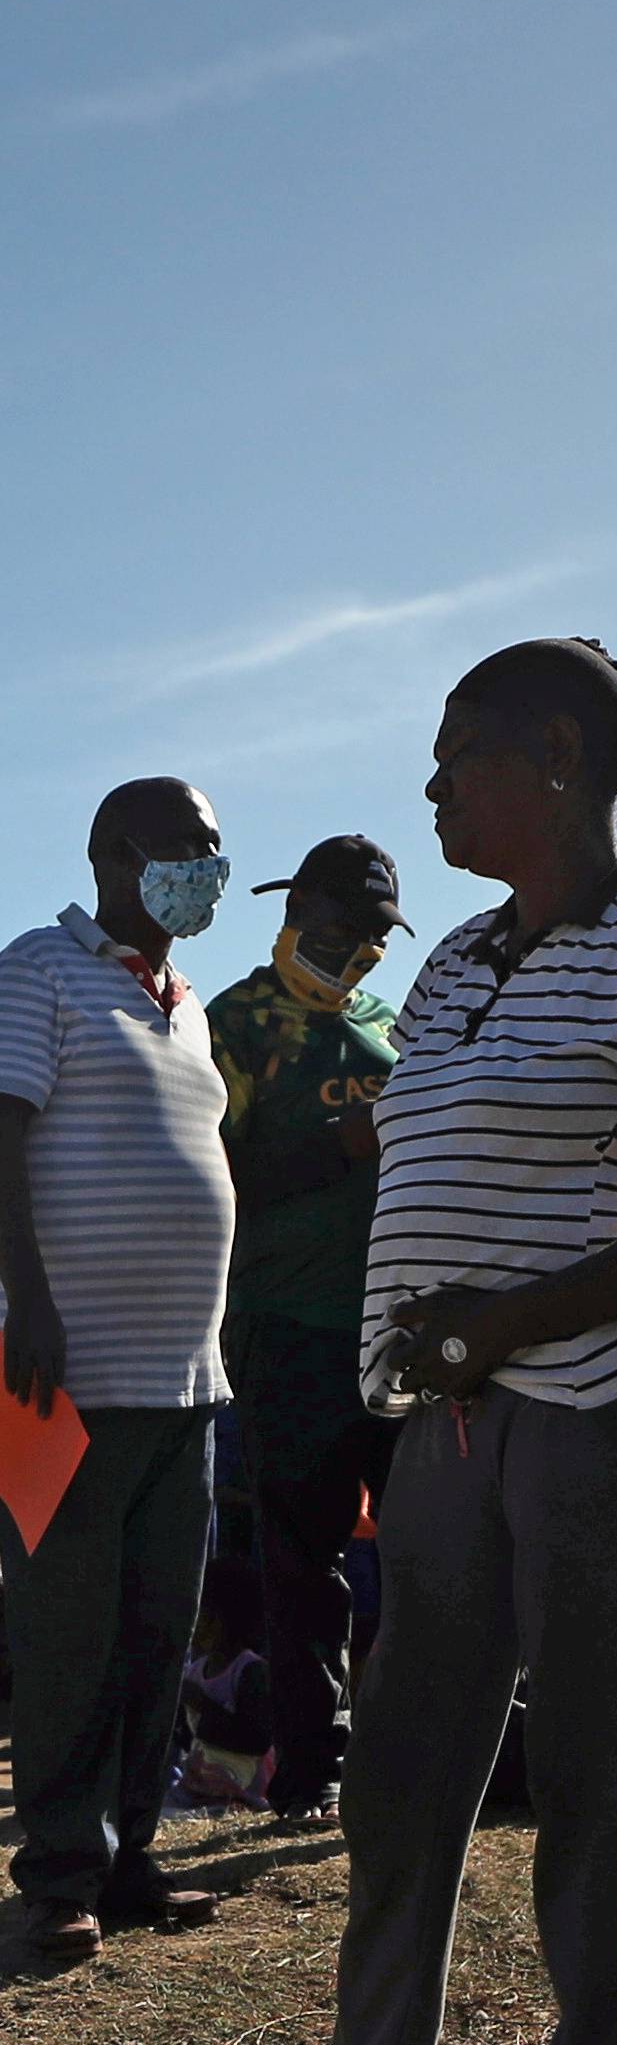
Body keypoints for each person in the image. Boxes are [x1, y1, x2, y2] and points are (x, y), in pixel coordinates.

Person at [191, 635, 617, 2045]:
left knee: (587, 1763)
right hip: (442, 1417)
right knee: (403, 1760)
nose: (436, 784)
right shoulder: (449, 962)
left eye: (460, 754)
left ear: (559, 763)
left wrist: (519, 1318)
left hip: (597, 1407)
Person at [0, 778, 235, 1965]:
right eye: (191, 841)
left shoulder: (184, 1006)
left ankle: (129, 1852)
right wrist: (26, 1303)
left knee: (157, 1628)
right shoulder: (36, 968)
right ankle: (57, 1874)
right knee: (63, 1634)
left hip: (185, 1381)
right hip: (55, 1374)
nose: (211, 859)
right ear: (117, 854)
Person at [207, 835, 409, 1823]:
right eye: (344, 924)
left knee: (427, 1555)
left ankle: (420, 1756)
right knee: (302, 1564)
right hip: (289, 1328)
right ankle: (307, 1773)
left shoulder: (391, 1024)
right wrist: (342, 1144)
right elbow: (213, 1180)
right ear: (297, 910)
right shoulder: (236, 1024)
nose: (360, 946)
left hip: (403, 1331)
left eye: (377, 933)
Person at [174, 1554, 275, 1808]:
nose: (196, 1626)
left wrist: (204, 1705)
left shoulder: (250, 1672)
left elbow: (256, 1740)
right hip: (199, 1789)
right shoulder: (196, 1671)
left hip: (241, 1790)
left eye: (204, 1618)